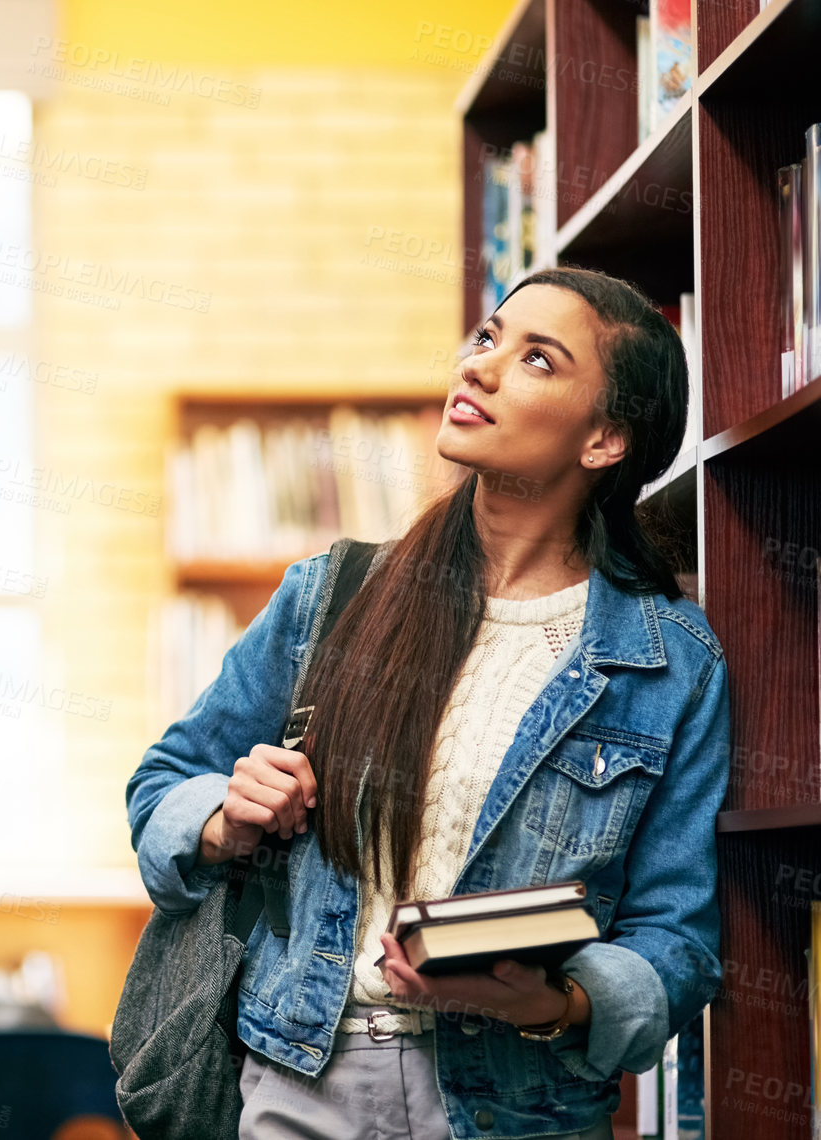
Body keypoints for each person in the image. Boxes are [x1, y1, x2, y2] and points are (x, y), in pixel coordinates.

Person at [127, 267, 728, 1140]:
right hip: (301, 1085)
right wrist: (225, 814)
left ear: (604, 440)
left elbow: (678, 942)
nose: (478, 367)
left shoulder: (673, 662)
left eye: (538, 361)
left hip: (526, 1108)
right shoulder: (332, 597)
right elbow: (163, 784)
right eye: (487, 338)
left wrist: (554, 1001)